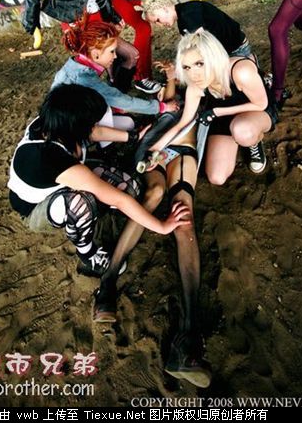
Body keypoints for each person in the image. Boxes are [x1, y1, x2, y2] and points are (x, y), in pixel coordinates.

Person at [8, 84, 191, 315]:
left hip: (62, 178)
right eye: (90, 122)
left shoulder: (55, 123)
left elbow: (94, 132)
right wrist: (162, 227)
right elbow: (120, 200)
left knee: (129, 187)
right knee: (80, 203)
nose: (95, 125)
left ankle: (96, 213)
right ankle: (88, 253)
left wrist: (133, 136)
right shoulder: (51, 158)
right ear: (76, 126)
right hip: (36, 208)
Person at [93, 71, 211, 389]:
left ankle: (189, 334)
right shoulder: (169, 97)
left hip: (182, 153)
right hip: (155, 154)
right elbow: (167, 99)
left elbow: (195, 112)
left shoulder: (201, 93)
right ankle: (107, 283)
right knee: (154, 194)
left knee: (184, 214)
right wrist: (169, 79)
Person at [149, 30, 277, 185]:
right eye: (187, 67)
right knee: (216, 177)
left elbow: (261, 104)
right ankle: (238, 137)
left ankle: (254, 142)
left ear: (213, 58)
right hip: (221, 117)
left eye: (199, 64)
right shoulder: (195, 85)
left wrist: (217, 111)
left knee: (243, 132)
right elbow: (182, 123)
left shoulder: (240, 70)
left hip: (254, 110)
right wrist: (154, 149)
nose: (194, 74)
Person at [51, 12, 179, 118]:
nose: (115, 56)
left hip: (70, 116)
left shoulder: (75, 64)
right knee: (128, 123)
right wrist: (162, 107)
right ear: (96, 54)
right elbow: (124, 101)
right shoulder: (86, 79)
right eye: (112, 51)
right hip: (74, 126)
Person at [141, 0, 253, 59]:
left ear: (164, 8)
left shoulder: (188, 16)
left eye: (157, 20)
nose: (160, 25)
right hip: (228, 51)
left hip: (236, 51)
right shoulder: (184, 13)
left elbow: (203, 50)